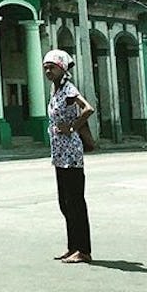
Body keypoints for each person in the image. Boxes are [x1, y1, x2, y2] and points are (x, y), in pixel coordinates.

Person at [43, 48, 95, 265]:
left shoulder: (69, 89)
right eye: (45, 68)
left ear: (61, 68)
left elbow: (88, 109)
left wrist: (72, 126)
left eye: (51, 68)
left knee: (75, 202)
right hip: (59, 155)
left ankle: (83, 250)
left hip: (71, 154)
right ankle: (72, 247)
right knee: (64, 203)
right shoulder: (56, 92)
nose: (47, 72)